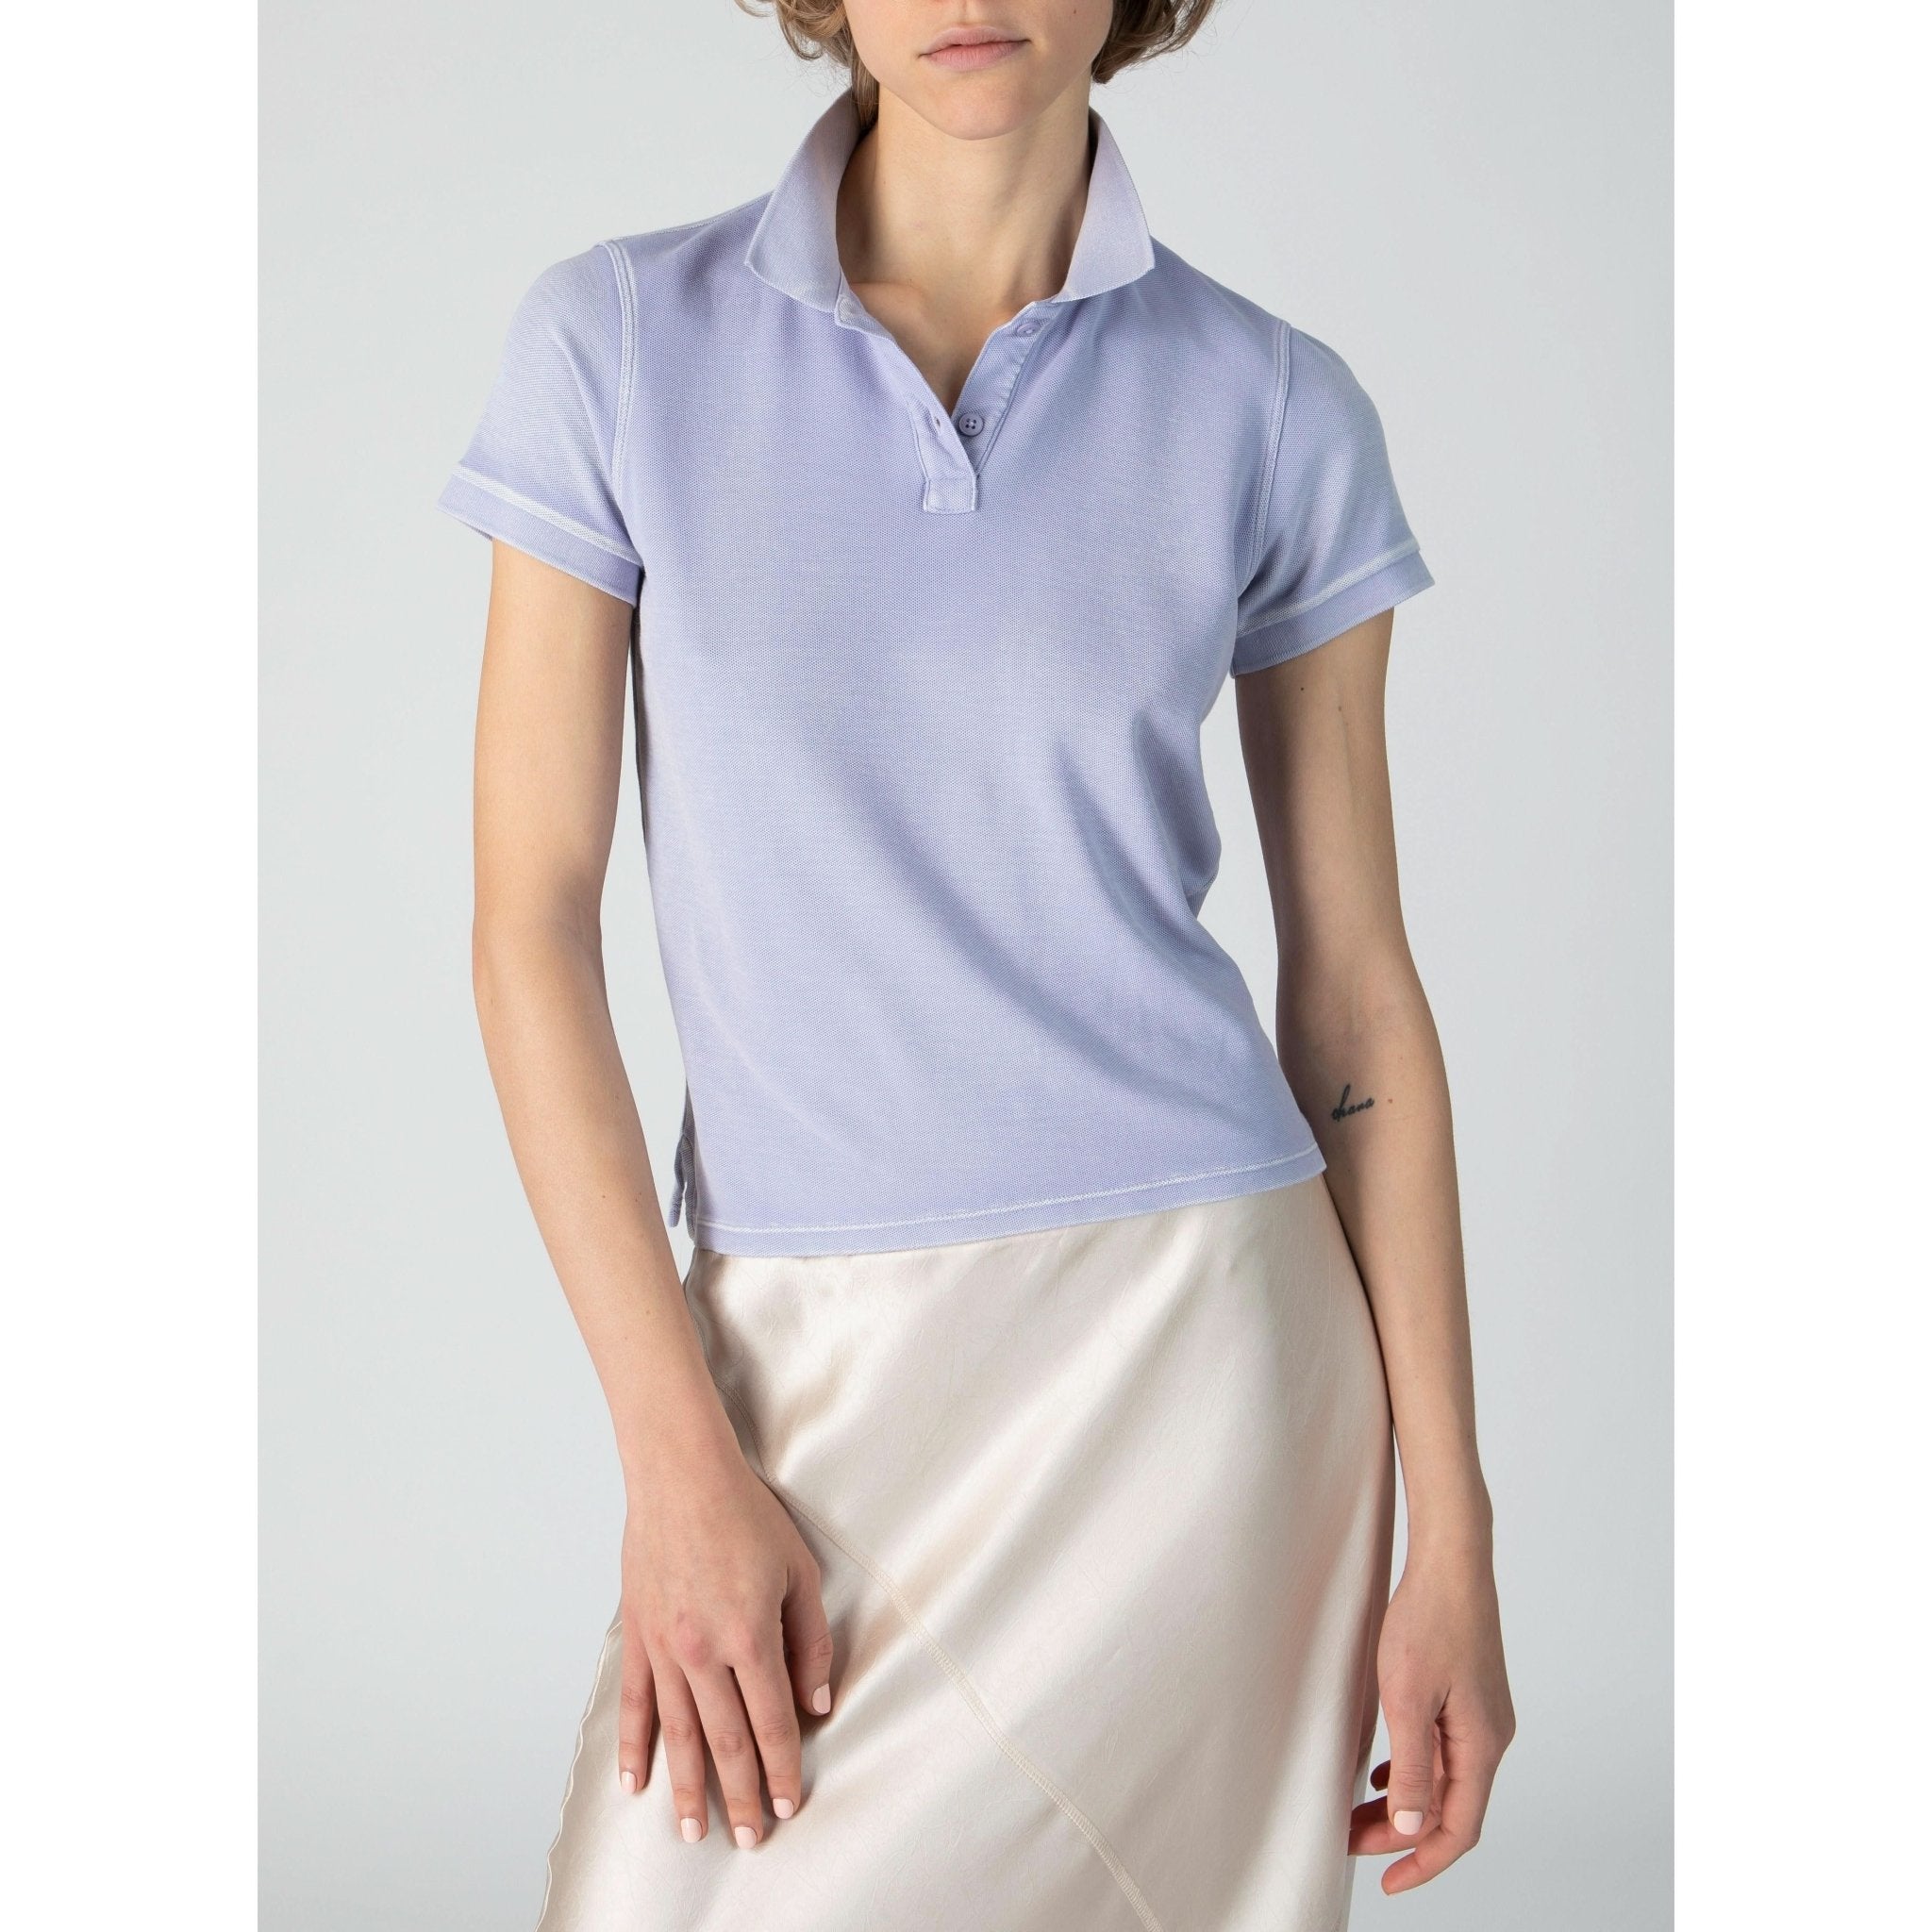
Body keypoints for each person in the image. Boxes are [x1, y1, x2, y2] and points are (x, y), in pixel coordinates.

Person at [439, 4, 1515, 1926]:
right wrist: (676, 1454)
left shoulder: (1272, 403)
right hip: (798, 1368)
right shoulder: (617, 344)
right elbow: (530, 919)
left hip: (1199, 1366)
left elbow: (1356, 989)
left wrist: (1456, 1530)